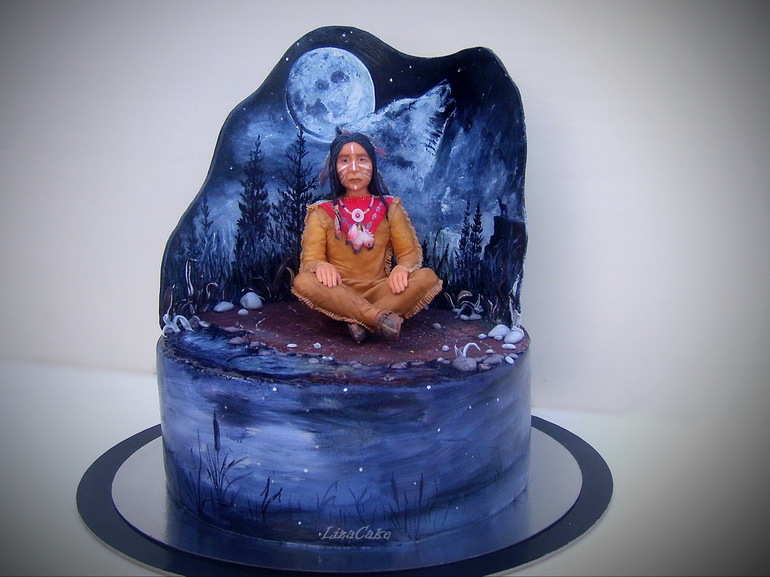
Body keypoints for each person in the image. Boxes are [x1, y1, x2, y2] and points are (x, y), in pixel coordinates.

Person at [292, 132, 442, 343]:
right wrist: (319, 265)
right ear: (334, 167)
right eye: (345, 160)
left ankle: (361, 321)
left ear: (373, 164)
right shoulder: (321, 211)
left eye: (362, 159)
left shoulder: (390, 208)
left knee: (426, 277)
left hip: (382, 290)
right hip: (337, 292)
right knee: (304, 281)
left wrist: (402, 268)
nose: (354, 168)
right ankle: (378, 319)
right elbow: (311, 259)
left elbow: (408, 253)